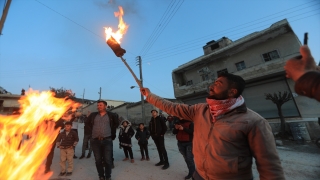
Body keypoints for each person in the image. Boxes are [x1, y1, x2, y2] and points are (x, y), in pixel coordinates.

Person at [141, 73, 285, 180]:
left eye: (218, 83)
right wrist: (150, 96)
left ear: (232, 91)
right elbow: (172, 107)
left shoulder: (253, 121)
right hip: (200, 176)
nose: (211, 86)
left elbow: (270, 167)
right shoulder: (200, 110)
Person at [87, 100, 120, 180]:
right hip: (95, 141)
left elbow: (116, 124)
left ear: (105, 106)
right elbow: (87, 123)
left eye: (100, 105)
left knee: (108, 160)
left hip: (107, 140)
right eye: (98, 105)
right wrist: (92, 133)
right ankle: (101, 176)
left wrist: (112, 132)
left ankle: (108, 176)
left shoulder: (111, 115)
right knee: (98, 160)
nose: (98, 107)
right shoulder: (93, 115)